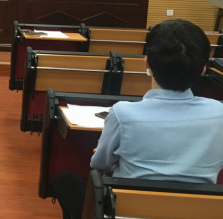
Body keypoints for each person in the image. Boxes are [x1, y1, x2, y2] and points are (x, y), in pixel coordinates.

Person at [53, 19, 223, 219]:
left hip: (129, 212)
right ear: (203, 68)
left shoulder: (123, 114)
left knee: (65, 181)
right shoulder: (219, 113)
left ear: (146, 62)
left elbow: (99, 164)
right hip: (196, 213)